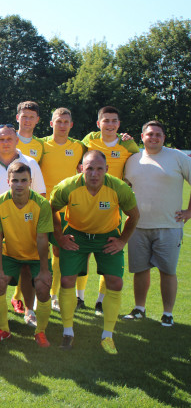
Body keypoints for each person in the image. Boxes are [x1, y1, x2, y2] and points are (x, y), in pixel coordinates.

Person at [50, 150, 139, 354]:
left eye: (99, 169)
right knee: (67, 280)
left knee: (115, 282)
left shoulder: (119, 188)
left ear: (107, 169)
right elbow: (51, 210)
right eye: (89, 168)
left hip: (107, 237)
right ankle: (68, 332)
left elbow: (134, 215)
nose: (94, 173)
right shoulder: (67, 187)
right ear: (81, 168)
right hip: (76, 235)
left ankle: (108, 335)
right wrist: (60, 238)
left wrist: (122, 240)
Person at [0, 124, 45, 326]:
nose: (6, 143)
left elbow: (40, 195)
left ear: (17, 140)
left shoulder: (30, 163)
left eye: (9, 139)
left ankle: (29, 311)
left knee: (26, 270)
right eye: (2, 139)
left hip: (25, 227)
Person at [123, 121, 191, 327]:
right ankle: (139, 309)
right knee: (140, 270)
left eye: (158, 134)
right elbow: (123, 188)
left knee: (168, 271)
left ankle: (167, 313)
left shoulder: (177, 157)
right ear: (142, 137)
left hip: (169, 226)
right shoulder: (133, 160)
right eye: (150, 134)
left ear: (164, 138)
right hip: (138, 226)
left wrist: (189, 211)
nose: (154, 137)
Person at [79, 106, 139, 313]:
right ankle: (79, 297)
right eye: (106, 120)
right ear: (99, 123)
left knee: (108, 251)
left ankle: (101, 301)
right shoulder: (89, 140)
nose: (110, 124)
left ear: (119, 124)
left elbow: (139, 166)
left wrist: (128, 185)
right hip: (86, 201)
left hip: (112, 205)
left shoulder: (128, 144)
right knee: (82, 252)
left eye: (114, 121)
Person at [0, 162, 53, 346]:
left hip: (36, 256)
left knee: (43, 287)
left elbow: (42, 238)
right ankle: (3, 330)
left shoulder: (41, 204)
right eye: (15, 180)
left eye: (24, 180)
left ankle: (40, 332)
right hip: (10, 253)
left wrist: (44, 270)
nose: (19, 184)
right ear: (8, 181)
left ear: (31, 182)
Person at [39, 108, 87, 312]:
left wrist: (125, 138)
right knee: (37, 251)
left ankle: (54, 296)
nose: (62, 125)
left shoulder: (79, 146)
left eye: (66, 122)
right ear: (51, 124)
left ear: (71, 125)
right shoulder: (41, 145)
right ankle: (25, 297)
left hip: (67, 209)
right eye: (59, 121)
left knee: (61, 251)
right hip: (43, 207)